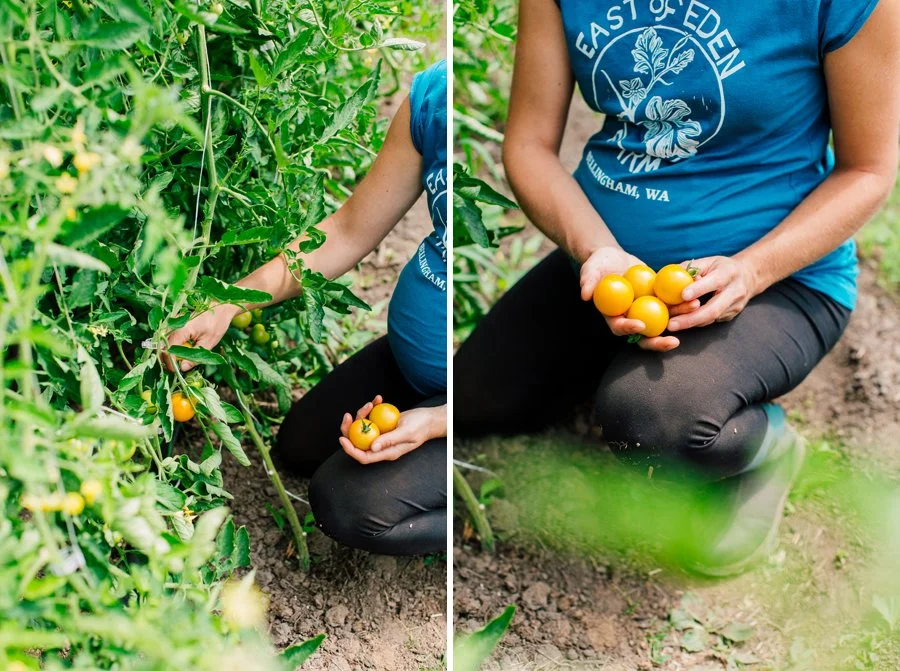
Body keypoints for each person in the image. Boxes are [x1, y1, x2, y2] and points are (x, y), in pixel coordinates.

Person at [455, 0, 899, 575]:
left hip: (779, 280)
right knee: (474, 398)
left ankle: (769, 449)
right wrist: (596, 251)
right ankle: (624, 360)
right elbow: (528, 145)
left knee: (650, 421)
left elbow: (867, 170)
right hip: (610, 268)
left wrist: (752, 271)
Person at [169, 61, 448, 556]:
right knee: (300, 444)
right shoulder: (435, 97)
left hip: (466, 388)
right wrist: (226, 303)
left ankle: (489, 498)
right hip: (417, 366)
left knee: (348, 505)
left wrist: (436, 421)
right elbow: (346, 231)